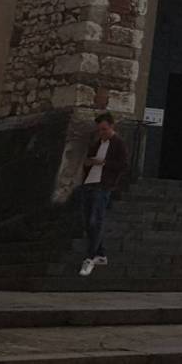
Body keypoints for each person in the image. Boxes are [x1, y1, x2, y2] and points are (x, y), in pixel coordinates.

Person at [77, 112, 128, 277]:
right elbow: (89, 159)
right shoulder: (97, 143)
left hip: (103, 185)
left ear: (112, 127)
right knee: (87, 221)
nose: (101, 133)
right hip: (89, 183)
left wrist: (104, 163)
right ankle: (100, 254)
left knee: (96, 220)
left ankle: (90, 257)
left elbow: (123, 165)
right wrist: (89, 163)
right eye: (99, 130)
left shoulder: (118, 143)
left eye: (104, 129)